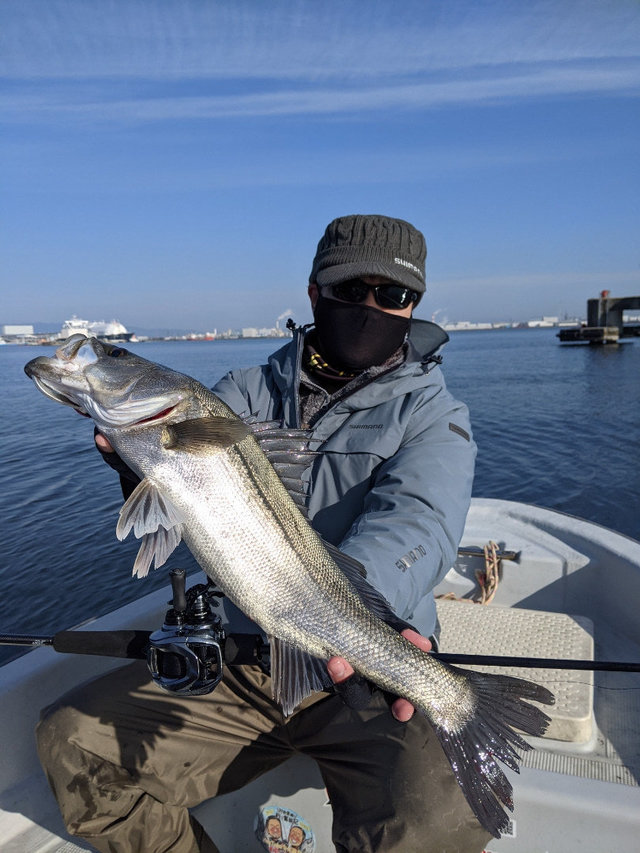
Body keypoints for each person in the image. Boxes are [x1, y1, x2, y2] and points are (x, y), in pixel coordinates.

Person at [36, 214, 490, 853]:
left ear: (415, 305)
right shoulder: (235, 396)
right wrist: (131, 472)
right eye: (346, 290)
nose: (369, 307)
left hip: (370, 668)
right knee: (74, 744)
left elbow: (421, 523)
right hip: (241, 653)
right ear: (312, 292)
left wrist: (352, 620)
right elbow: (189, 513)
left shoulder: (434, 414)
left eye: (392, 296)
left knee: (437, 823)